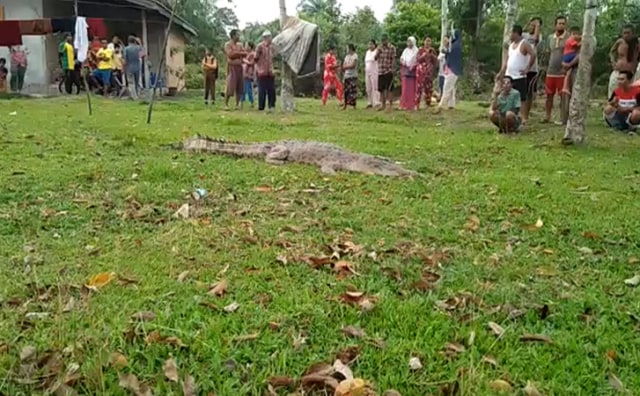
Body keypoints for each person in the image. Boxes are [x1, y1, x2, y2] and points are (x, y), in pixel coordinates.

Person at [496, 25, 536, 124]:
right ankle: (506, 114)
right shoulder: (511, 45)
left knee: (522, 97)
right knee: (506, 94)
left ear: (516, 33)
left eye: (510, 33)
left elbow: (533, 54)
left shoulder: (524, 43)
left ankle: (523, 117)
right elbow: (507, 60)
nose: (509, 35)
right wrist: (501, 72)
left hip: (519, 75)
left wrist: (528, 68)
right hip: (509, 75)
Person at [608, 25, 640, 99]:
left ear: (633, 33)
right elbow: (611, 52)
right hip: (618, 70)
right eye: (624, 33)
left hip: (632, 73)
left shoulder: (637, 43)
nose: (626, 35)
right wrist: (613, 62)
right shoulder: (620, 42)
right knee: (613, 90)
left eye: (628, 33)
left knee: (633, 93)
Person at [436, 30, 462, 112]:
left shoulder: (455, 46)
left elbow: (449, 52)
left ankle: (441, 105)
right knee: (451, 88)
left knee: (446, 87)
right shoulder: (455, 45)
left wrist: (444, 50)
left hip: (453, 69)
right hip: (451, 69)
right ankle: (451, 104)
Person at [522, 17, 542, 123]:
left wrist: (537, 26)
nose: (532, 27)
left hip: (532, 68)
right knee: (521, 92)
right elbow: (518, 33)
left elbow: (535, 40)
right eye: (531, 25)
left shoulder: (539, 36)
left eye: (534, 26)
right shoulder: (524, 36)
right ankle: (520, 115)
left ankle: (526, 116)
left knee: (529, 93)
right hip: (521, 68)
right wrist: (528, 22)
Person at [224, 29, 247, 110]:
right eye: (237, 35)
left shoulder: (240, 45)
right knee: (230, 85)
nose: (239, 36)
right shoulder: (227, 44)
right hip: (231, 67)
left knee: (239, 86)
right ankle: (226, 104)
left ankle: (237, 104)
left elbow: (245, 53)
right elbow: (230, 54)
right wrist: (239, 53)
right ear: (233, 36)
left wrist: (237, 53)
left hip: (239, 67)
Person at [255, 30, 276, 112]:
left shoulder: (272, 47)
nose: (271, 38)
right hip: (262, 71)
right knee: (262, 90)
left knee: (271, 90)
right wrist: (259, 68)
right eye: (270, 37)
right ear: (265, 38)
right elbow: (255, 58)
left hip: (270, 71)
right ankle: (261, 107)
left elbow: (272, 58)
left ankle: (271, 106)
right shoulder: (259, 46)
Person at [415, 36, 438, 109]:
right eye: (426, 41)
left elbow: (436, 62)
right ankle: (417, 105)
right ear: (424, 42)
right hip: (421, 72)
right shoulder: (420, 50)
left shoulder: (432, 50)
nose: (428, 43)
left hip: (429, 72)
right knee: (419, 88)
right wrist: (424, 55)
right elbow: (418, 59)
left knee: (428, 88)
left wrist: (431, 55)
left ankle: (428, 103)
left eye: (429, 41)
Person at [376, 34, 396, 111]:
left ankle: (390, 105)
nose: (383, 41)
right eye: (382, 40)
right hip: (380, 70)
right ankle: (383, 104)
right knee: (381, 89)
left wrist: (393, 68)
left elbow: (393, 58)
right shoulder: (379, 48)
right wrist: (378, 52)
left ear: (387, 40)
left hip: (388, 70)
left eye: (385, 40)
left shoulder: (392, 48)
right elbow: (375, 58)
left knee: (389, 88)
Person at [399, 37, 418, 111]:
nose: (409, 43)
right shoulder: (405, 50)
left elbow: (417, 60)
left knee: (412, 88)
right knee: (405, 89)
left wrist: (413, 66)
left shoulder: (416, 50)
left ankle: (411, 104)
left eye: (410, 42)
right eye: (408, 42)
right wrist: (403, 62)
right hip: (405, 70)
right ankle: (404, 104)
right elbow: (402, 58)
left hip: (413, 71)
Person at [561, 26, 581, 95]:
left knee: (568, 73)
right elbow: (578, 45)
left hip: (567, 56)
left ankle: (565, 87)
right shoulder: (570, 40)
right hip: (569, 55)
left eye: (578, 34)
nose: (577, 36)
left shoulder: (570, 40)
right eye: (575, 34)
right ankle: (569, 65)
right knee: (579, 56)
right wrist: (583, 40)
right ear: (572, 34)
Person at [123, 35, 143, 100]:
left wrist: (124, 68)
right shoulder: (138, 48)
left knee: (131, 82)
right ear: (135, 41)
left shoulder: (126, 49)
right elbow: (143, 55)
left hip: (129, 67)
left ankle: (134, 97)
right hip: (137, 67)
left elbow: (125, 60)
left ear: (128, 41)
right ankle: (138, 94)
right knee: (137, 82)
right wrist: (140, 44)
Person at [364, 40, 380, 108]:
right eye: (369, 44)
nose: (370, 46)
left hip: (374, 71)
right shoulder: (367, 52)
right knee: (368, 87)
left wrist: (378, 51)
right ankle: (369, 102)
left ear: (374, 45)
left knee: (374, 86)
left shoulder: (376, 51)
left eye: (371, 44)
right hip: (367, 71)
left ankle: (376, 101)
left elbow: (375, 58)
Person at [342, 43, 358, 109]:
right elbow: (343, 66)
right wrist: (347, 66)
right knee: (346, 91)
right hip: (346, 75)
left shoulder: (355, 56)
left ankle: (353, 105)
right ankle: (345, 105)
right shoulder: (346, 56)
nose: (347, 50)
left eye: (347, 48)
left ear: (350, 48)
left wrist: (346, 66)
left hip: (353, 75)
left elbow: (353, 65)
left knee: (353, 90)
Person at [242, 42, 256, 107]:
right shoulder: (246, 54)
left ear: (250, 47)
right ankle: (243, 101)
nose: (245, 47)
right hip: (244, 73)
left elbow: (251, 63)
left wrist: (244, 60)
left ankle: (250, 101)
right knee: (244, 87)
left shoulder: (253, 54)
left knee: (248, 88)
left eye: (247, 46)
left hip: (249, 73)